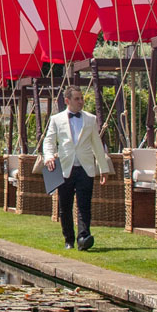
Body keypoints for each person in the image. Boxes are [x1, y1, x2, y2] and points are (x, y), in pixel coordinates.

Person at [40, 83, 112, 251]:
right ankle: (69, 239)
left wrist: (104, 168)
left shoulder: (90, 119)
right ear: (67, 100)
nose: (81, 102)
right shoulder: (56, 120)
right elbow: (49, 141)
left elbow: (97, 145)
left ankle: (83, 238)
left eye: (82, 99)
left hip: (85, 168)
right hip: (65, 168)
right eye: (77, 99)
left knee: (84, 205)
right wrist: (49, 157)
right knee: (65, 207)